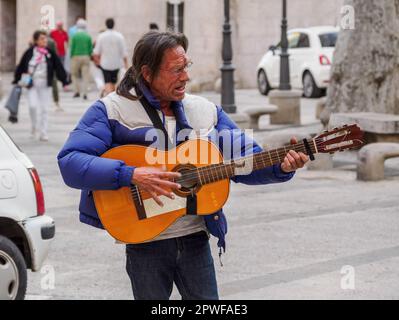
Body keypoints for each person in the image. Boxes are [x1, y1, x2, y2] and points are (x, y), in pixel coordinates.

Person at [57, 31, 309, 300]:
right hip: (145, 243)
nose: (185, 77)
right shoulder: (111, 110)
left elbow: (245, 158)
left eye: (186, 67)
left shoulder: (205, 112)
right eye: (176, 70)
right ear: (147, 73)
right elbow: (70, 162)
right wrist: (131, 174)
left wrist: (281, 167)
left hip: (195, 239)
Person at [13, 30, 68, 141]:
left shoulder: (50, 53)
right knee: (32, 106)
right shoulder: (29, 52)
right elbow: (21, 65)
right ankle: (34, 127)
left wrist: (64, 80)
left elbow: (58, 66)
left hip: (45, 84)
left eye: (45, 38)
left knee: (44, 109)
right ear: (36, 40)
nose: (45, 40)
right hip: (31, 84)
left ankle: (43, 132)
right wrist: (16, 79)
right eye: (42, 38)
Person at [92, 18, 128, 97]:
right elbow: (124, 52)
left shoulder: (101, 36)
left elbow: (96, 52)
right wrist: (126, 65)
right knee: (114, 82)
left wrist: (97, 62)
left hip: (105, 64)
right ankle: (113, 97)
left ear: (106, 24)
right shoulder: (119, 36)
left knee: (107, 82)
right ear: (113, 24)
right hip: (116, 64)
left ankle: (109, 97)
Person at [70, 19, 92, 100]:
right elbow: (90, 48)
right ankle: (85, 93)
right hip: (86, 56)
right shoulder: (88, 36)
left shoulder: (75, 36)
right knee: (85, 75)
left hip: (76, 56)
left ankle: (76, 91)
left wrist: (71, 56)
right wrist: (89, 55)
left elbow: (72, 47)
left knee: (74, 74)